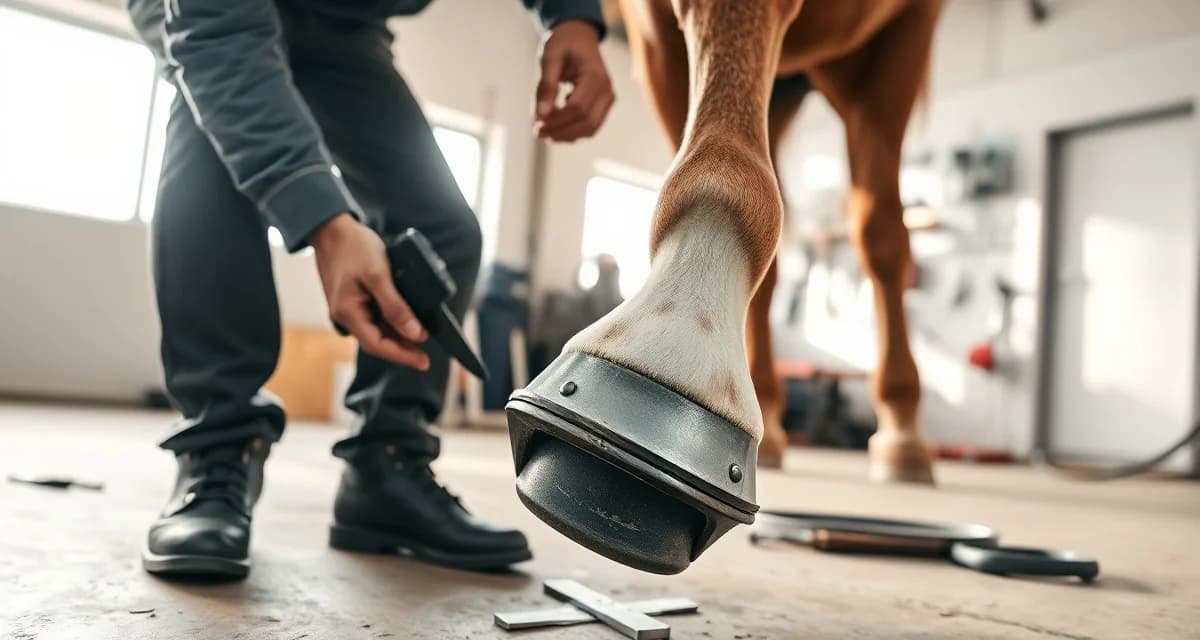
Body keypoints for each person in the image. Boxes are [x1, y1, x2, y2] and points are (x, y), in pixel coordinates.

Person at [124, 0, 614, 578]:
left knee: (442, 228)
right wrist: (325, 223)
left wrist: (571, 16)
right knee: (210, 150)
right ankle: (216, 449)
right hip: (213, 16)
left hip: (346, 24)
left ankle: (384, 469)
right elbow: (213, 32)